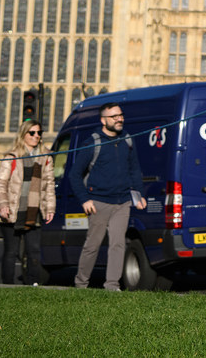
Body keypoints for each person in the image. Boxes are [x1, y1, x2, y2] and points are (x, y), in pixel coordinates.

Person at [67, 102, 145, 291]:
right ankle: (81, 284)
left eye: (121, 115)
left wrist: (138, 195)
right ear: (103, 120)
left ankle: (112, 286)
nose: (119, 119)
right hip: (99, 202)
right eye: (114, 116)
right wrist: (85, 199)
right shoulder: (93, 142)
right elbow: (74, 174)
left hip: (123, 202)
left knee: (118, 244)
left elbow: (134, 170)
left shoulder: (127, 139)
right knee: (92, 246)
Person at [0, 120, 55, 285]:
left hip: (34, 211)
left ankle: (33, 284)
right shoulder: (12, 156)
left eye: (39, 133)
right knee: (11, 252)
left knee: (33, 251)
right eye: (32, 133)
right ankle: (7, 286)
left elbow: (49, 185)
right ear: (23, 135)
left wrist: (50, 208)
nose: (36, 136)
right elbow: (0, 183)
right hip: (12, 209)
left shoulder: (45, 157)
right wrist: (2, 205)